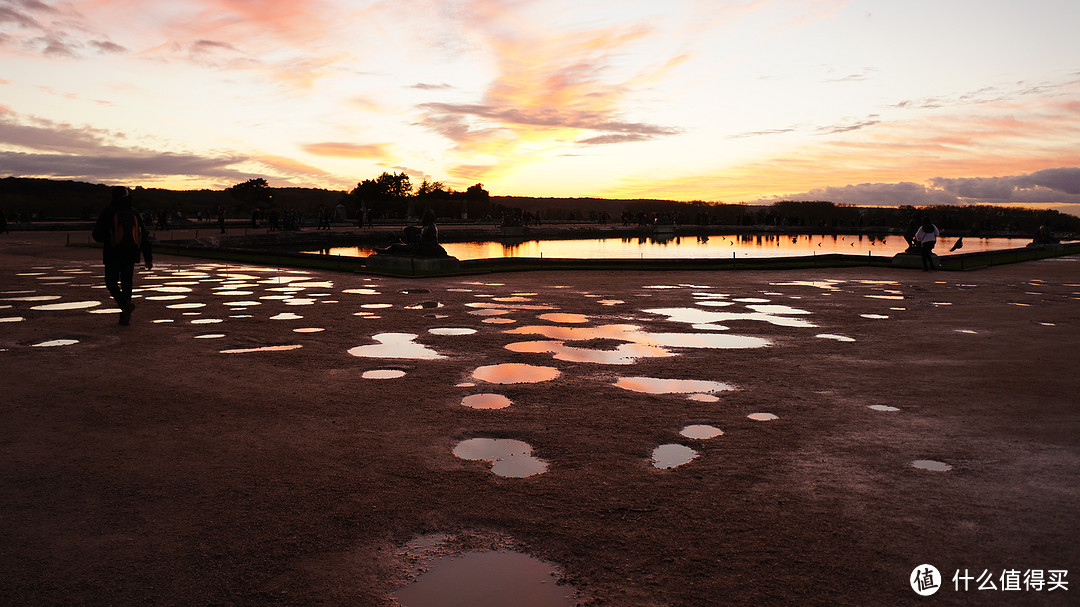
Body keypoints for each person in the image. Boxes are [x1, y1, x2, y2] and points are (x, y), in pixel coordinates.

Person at [92, 186, 153, 325]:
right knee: (127, 284)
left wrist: (109, 236)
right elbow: (143, 236)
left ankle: (124, 305)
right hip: (130, 253)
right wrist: (148, 258)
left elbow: (97, 235)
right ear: (126, 196)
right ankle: (125, 313)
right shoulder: (133, 212)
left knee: (111, 282)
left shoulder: (108, 211)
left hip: (112, 253)